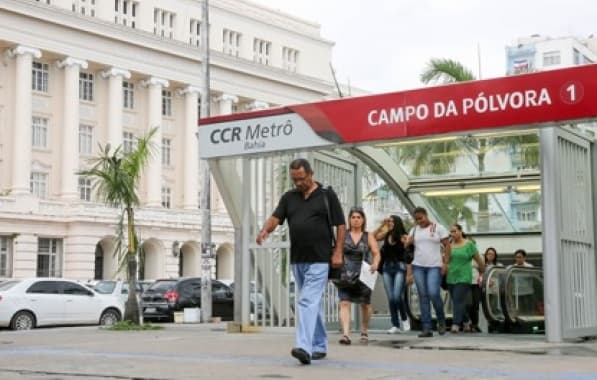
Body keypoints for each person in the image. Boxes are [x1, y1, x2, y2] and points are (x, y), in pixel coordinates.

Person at [256, 158, 345, 365]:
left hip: (321, 258)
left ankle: (304, 347)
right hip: (298, 259)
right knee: (311, 303)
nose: (298, 183)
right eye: (294, 179)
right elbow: (276, 217)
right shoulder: (289, 197)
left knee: (306, 301)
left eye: (301, 179)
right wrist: (265, 231)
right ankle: (320, 345)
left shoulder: (326, 195)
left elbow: (340, 225)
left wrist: (338, 252)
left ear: (311, 174)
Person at [337, 207, 380, 345]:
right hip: (345, 272)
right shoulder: (343, 234)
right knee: (344, 302)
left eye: (358, 217)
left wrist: (376, 263)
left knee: (365, 304)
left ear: (363, 220)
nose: (355, 220)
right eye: (353, 217)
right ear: (349, 219)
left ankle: (364, 330)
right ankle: (345, 335)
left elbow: (376, 252)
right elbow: (336, 250)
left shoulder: (368, 236)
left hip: (363, 273)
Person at [406, 207, 450, 338]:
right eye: (416, 219)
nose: (419, 221)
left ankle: (441, 319)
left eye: (421, 218)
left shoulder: (438, 228)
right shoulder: (414, 230)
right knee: (423, 296)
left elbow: (447, 246)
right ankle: (427, 328)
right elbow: (408, 248)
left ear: (426, 215)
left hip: (434, 266)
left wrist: (445, 263)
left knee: (433, 293)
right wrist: (407, 242)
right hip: (418, 266)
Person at [374, 215, 411, 334]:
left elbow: (409, 253)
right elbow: (374, 237)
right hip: (386, 268)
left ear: (397, 222)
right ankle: (395, 324)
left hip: (399, 267)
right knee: (391, 298)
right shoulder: (387, 234)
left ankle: (405, 318)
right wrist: (382, 225)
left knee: (396, 296)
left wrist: (406, 244)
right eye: (389, 221)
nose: (390, 223)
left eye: (392, 221)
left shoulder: (403, 236)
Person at [447, 224, 485, 333]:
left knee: (458, 300)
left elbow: (479, 260)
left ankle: (455, 324)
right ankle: (466, 320)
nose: (452, 234)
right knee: (457, 301)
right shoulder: (449, 244)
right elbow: (446, 259)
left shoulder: (469, 245)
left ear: (460, 231)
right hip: (451, 276)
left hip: (464, 277)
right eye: (451, 232)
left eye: (454, 231)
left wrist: (483, 272)